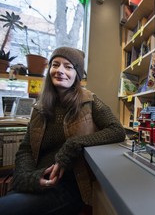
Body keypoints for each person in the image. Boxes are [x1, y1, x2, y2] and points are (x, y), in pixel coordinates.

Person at [0, 47, 126, 215]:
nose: (60, 70)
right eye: (55, 64)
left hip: (68, 187)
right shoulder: (39, 108)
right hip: (36, 182)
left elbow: (117, 130)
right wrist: (29, 179)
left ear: (77, 74)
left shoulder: (90, 101)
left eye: (68, 66)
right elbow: (26, 149)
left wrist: (73, 143)